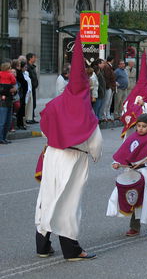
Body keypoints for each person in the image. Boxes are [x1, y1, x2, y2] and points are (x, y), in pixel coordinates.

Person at [35, 34, 103, 261]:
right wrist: (95, 154)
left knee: (48, 195)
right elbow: (95, 140)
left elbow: (44, 128)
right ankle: (71, 249)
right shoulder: (85, 109)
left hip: (53, 154)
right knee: (69, 201)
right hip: (75, 158)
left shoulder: (55, 104)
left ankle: (43, 245)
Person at [106, 114, 147, 238]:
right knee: (134, 198)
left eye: (144, 126)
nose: (140, 129)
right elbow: (122, 154)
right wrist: (116, 163)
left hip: (146, 172)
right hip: (131, 172)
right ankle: (134, 227)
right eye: (138, 126)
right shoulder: (132, 138)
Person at [121, 52, 147, 139]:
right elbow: (126, 106)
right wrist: (127, 114)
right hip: (132, 124)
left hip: (146, 122)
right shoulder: (133, 92)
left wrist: (144, 104)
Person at [0, 61, 17, 144]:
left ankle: (4, 137)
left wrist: (14, 90)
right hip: (2, 102)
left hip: (9, 101)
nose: (11, 70)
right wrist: (9, 90)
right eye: (10, 68)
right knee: (2, 121)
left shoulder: (10, 77)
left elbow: (14, 89)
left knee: (8, 121)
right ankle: (1, 138)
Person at [101, 56, 116, 121]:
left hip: (111, 86)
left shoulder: (109, 66)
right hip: (109, 86)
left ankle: (107, 114)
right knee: (106, 102)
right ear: (112, 60)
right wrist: (108, 86)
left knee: (109, 102)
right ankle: (104, 115)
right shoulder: (107, 67)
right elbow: (107, 77)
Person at [15, 60, 28, 129]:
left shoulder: (20, 72)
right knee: (20, 109)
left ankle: (21, 124)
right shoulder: (18, 72)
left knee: (22, 109)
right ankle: (19, 124)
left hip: (23, 93)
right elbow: (21, 82)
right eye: (19, 65)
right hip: (20, 94)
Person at [26, 53, 39, 124]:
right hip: (30, 88)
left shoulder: (32, 67)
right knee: (31, 103)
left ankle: (32, 117)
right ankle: (29, 118)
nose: (35, 59)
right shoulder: (28, 67)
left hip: (33, 88)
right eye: (34, 57)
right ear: (30, 58)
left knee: (33, 103)